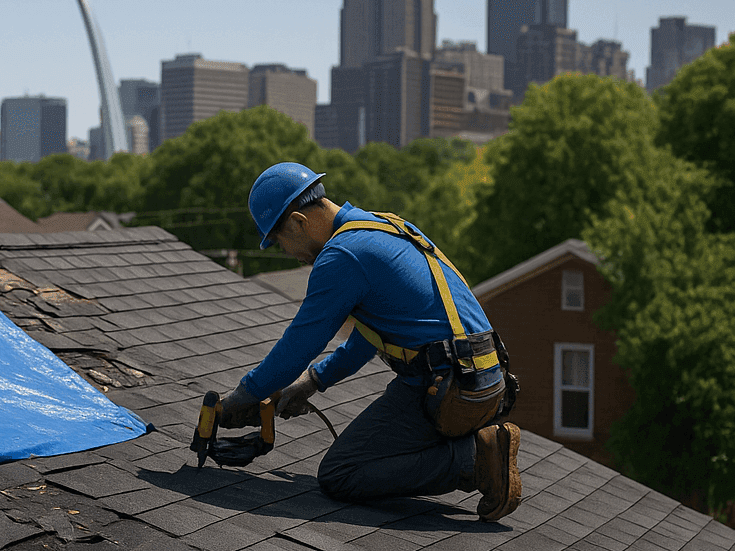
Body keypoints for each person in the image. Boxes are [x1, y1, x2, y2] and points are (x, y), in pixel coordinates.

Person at [218, 162, 522, 522]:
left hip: (448, 386)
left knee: (341, 475)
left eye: (280, 240)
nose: (287, 252)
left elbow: (301, 342)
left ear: (299, 221)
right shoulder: (382, 225)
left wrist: (243, 395)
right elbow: (369, 334)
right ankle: (475, 447)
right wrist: (313, 382)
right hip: (484, 379)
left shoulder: (341, 255)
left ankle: (474, 459)